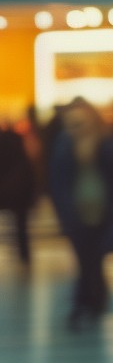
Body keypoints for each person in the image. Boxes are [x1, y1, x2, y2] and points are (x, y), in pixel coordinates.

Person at [48, 99, 113, 329]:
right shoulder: (65, 144)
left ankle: (90, 301)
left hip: (102, 209)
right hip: (76, 210)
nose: (78, 128)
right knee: (86, 258)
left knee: (94, 257)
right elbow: (57, 181)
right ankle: (87, 302)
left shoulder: (105, 142)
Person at [0, 113, 35, 274]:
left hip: (11, 187)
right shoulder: (17, 140)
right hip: (17, 189)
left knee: (20, 224)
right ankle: (24, 256)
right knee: (21, 225)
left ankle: (25, 256)